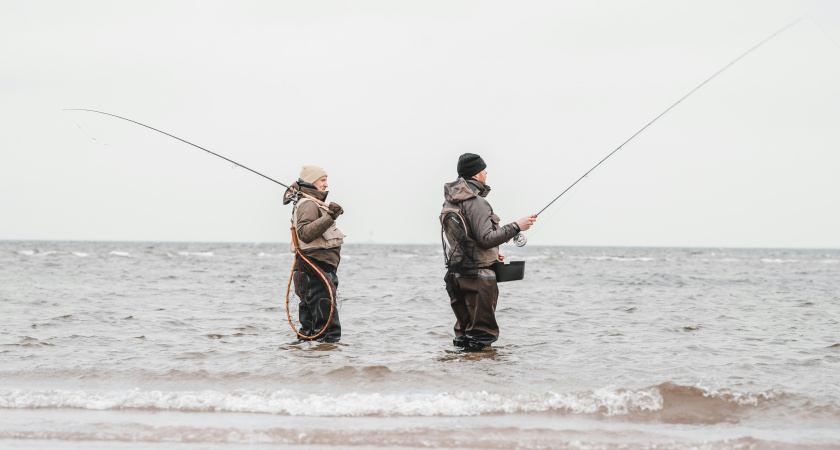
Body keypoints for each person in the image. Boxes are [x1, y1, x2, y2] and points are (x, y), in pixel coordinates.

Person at [440, 153, 535, 351]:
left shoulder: (450, 201)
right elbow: (485, 239)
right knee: (482, 336)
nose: (486, 172)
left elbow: (465, 239)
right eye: (483, 169)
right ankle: (481, 380)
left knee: (464, 334)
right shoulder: (477, 203)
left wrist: (492, 254)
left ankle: (458, 377)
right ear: (476, 174)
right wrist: (517, 226)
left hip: (456, 275)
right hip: (479, 277)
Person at [282, 165, 345, 342]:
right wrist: (330, 216)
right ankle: (327, 367)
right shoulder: (308, 204)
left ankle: (310, 366)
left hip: (311, 271)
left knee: (310, 330)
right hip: (316, 271)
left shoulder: (309, 202)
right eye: (322, 180)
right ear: (311, 181)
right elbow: (305, 233)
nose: (326, 184)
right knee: (327, 332)